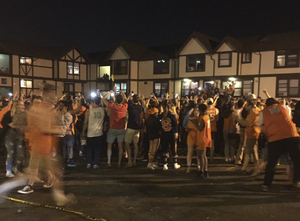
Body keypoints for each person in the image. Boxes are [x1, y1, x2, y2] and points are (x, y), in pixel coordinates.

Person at [258, 98, 300, 191]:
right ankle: (297, 181)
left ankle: (266, 184)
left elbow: (262, 127)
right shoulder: (284, 108)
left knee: (272, 162)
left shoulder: (263, 112)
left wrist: (268, 136)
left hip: (275, 138)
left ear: (266, 105)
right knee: (297, 160)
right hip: (292, 135)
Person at [103, 90, 128, 167]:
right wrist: (123, 93)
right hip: (121, 129)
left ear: (115, 100)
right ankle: (119, 163)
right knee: (120, 146)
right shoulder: (124, 106)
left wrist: (110, 93)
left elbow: (103, 99)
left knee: (109, 145)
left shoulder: (112, 106)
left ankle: (109, 162)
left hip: (113, 128)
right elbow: (126, 100)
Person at [81, 96, 105, 168]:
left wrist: (83, 131)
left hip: (90, 132)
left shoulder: (89, 112)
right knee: (97, 149)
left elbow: (85, 122)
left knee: (89, 149)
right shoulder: (102, 110)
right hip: (99, 132)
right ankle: (95, 163)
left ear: (94, 102)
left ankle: (89, 162)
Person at [237, 101, 261, 173]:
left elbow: (245, 123)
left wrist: (237, 118)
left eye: (247, 105)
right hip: (254, 133)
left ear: (250, 106)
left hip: (252, 134)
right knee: (254, 151)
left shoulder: (252, 115)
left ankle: (244, 168)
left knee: (247, 152)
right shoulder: (256, 113)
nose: (245, 107)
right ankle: (257, 167)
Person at [191, 104, 212, 178]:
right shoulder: (207, 117)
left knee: (200, 155)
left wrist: (194, 122)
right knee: (204, 155)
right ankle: (205, 170)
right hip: (207, 137)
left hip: (202, 138)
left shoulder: (203, 118)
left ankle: (202, 171)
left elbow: (200, 128)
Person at [124, 94, 144, 167]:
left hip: (131, 127)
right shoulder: (140, 108)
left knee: (127, 143)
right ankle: (135, 160)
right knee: (136, 144)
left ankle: (130, 160)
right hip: (137, 127)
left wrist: (128, 96)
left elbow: (126, 101)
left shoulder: (131, 107)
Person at [160, 104, 180, 170]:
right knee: (173, 148)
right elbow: (175, 124)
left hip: (163, 134)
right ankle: (175, 163)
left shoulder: (161, 116)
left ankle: (165, 164)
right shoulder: (171, 116)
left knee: (164, 149)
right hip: (171, 133)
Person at [145, 102, 161, 170]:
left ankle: (150, 162)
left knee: (150, 149)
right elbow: (158, 127)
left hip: (150, 135)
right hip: (155, 135)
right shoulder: (156, 120)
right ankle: (150, 162)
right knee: (154, 150)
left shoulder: (148, 119)